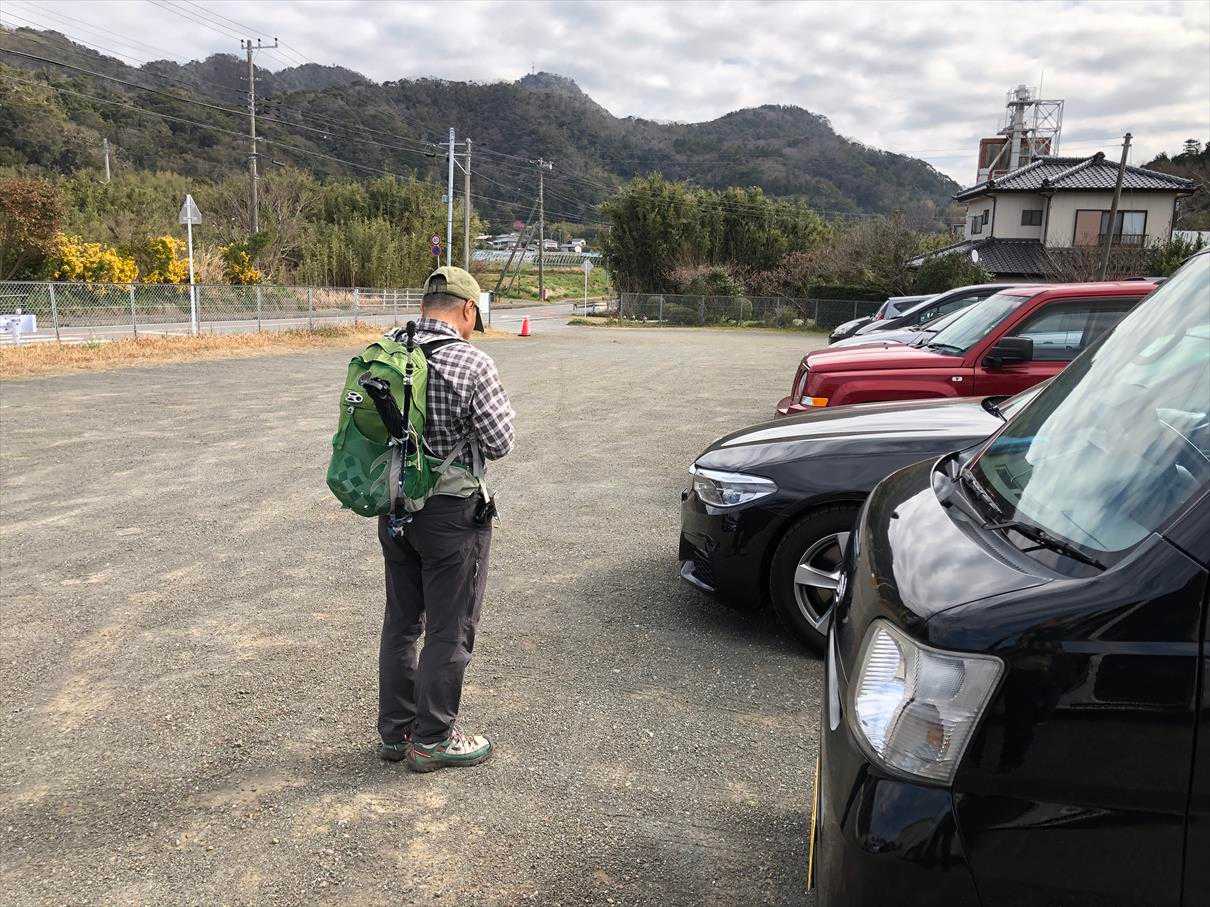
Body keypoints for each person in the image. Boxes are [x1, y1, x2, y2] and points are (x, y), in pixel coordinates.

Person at [377, 266, 515, 773]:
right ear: (468, 309)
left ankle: (396, 733)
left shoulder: (386, 351)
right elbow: (499, 442)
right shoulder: (471, 362)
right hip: (451, 513)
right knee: (450, 627)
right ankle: (432, 739)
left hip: (394, 507)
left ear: (424, 306)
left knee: (402, 622)